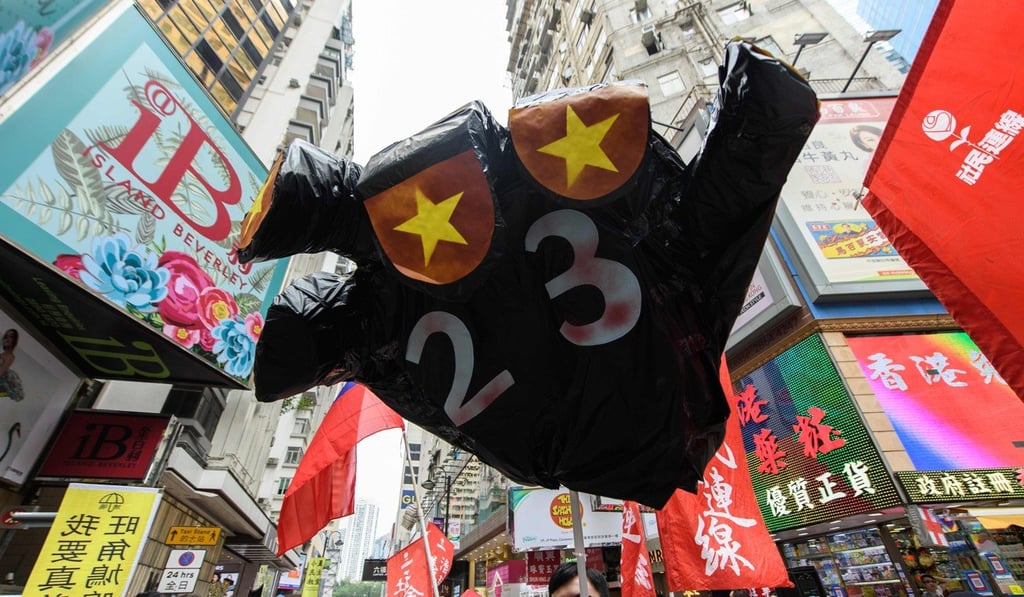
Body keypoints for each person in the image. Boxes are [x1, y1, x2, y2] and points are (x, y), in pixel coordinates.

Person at [0, 329, 24, 402]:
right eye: (5, 337)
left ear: (14, 340)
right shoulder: (2, 355)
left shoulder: (10, 356)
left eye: (10, 337)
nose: (7, 339)